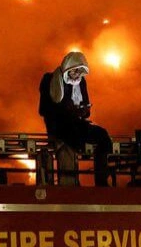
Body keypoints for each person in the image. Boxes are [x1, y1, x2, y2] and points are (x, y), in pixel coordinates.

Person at [38, 51, 113, 186]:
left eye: (80, 72)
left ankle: (102, 179)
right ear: (68, 68)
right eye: (75, 71)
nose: (77, 75)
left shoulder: (81, 82)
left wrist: (84, 111)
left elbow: (85, 106)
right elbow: (44, 109)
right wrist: (66, 110)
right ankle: (69, 183)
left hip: (77, 124)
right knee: (70, 142)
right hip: (59, 126)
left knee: (103, 136)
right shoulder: (50, 79)